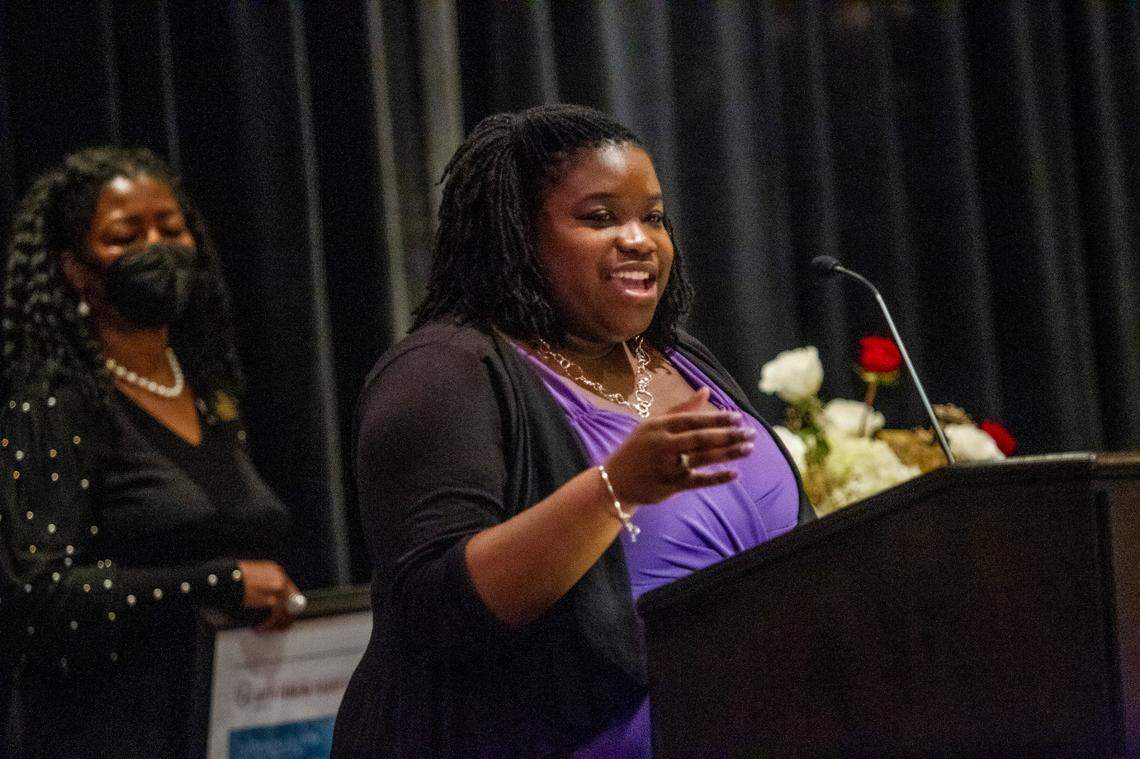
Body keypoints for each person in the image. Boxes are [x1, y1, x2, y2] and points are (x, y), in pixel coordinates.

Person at [332, 104, 814, 757]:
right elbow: (436, 610)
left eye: (653, 217)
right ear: (516, 235)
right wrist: (616, 488)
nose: (639, 239)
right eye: (600, 217)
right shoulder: (444, 372)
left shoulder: (680, 357)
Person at [0, 147, 302, 757]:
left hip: (222, 724)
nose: (157, 247)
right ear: (74, 269)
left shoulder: (211, 392)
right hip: (109, 731)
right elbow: (38, 596)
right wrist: (220, 583)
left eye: (170, 227)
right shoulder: (52, 406)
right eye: (125, 236)